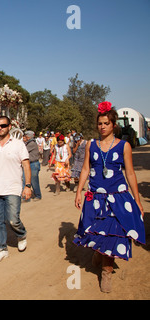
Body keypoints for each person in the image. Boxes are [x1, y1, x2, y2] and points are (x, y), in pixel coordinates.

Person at [74, 101, 145, 293]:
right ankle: (98, 251)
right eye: (100, 123)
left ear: (114, 125)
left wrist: (137, 201)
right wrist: (79, 191)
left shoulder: (124, 146)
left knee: (115, 234)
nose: (102, 127)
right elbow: (86, 169)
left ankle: (106, 272)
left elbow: (130, 173)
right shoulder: (91, 145)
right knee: (96, 231)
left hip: (118, 198)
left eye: (106, 123)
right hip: (95, 197)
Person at [0, 116, 31, 263]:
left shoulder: (18, 145)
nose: (0, 128)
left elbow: (26, 165)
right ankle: (2, 249)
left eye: (3, 125)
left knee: (13, 219)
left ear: (9, 126)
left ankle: (21, 234)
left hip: (13, 188)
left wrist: (27, 186)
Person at [22, 131, 42, 201]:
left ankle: (38, 195)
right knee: (25, 180)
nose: (25, 137)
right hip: (29, 164)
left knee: (34, 181)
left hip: (33, 164)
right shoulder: (28, 143)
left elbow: (23, 150)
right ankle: (26, 197)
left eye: (26, 136)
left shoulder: (31, 144)